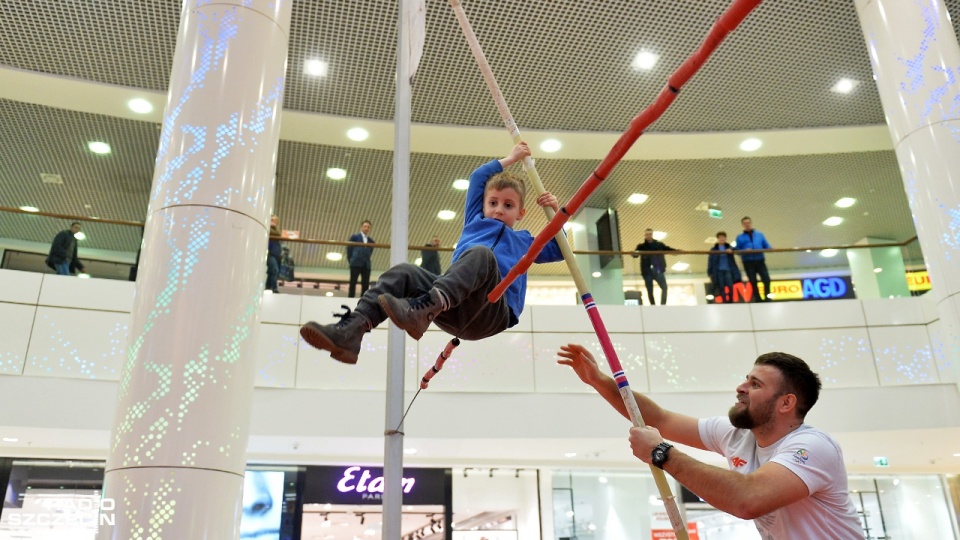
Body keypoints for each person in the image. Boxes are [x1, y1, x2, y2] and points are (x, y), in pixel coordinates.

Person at [557, 343, 863, 540]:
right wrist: (599, 381)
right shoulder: (736, 434)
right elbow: (660, 420)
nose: (741, 387)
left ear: (786, 403)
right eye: (746, 378)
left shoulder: (812, 446)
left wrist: (661, 453)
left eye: (755, 384)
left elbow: (748, 500)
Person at [300, 142, 564, 364]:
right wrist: (510, 159)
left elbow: (560, 250)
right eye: (492, 203)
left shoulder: (524, 241)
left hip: (492, 312)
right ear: (482, 205)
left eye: (508, 205)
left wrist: (555, 213)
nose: (498, 210)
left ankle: (423, 309)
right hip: (453, 306)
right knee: (404, 272)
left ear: (520, 213)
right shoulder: (474, 220)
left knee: (482, 255)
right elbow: (477, 178)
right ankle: (350, 332)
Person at [632, 228, 677, 305]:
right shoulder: (641, 246)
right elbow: (635, 255)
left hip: (658, 269)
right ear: (645, 235)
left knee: (664, 287)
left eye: (650, 234)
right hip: (647, 270)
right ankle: (653, 305)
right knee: (650, 290)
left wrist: (676, 251)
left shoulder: (659, 244)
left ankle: (663, 304)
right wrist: (634, 253)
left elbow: (667, 249)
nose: (648, 236)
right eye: (647, 234)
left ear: (652, 235)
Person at [736, 217, 772, 302]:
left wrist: (770, 248)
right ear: (742, 225)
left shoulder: (759, 234)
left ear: (751, 223)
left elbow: (766, 245)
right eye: (745, 223)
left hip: (760, 260)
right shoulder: (739, 237)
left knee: (766, 279)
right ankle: (757, 298)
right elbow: (737, 250)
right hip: (748, 262)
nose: (747, 224)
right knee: (753, 281)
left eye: (748, 223)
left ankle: (767, 297)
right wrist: (745, 251)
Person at [707, 231, 741, 303]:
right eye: (720, 237)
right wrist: (710, 271)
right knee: (721, 286)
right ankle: (724, 301)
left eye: (723, 237)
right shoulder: (714, 249)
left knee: (730, 286)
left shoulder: (730, 247)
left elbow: (738, 250)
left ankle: (730, 300)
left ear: (725, 238)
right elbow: (710, 261)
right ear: (717, 239)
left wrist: (732, 250)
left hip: (728, 269)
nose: (722, 239)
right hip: (718, 270)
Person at [347, 220, 375, 298]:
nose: (366, 228)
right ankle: (350, 297)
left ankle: (363, 300)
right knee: (353, 282)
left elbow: (370, 253)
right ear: (361, 227)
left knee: (365, 283)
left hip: (366, 264)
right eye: (365, 226)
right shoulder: (354, 237)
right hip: (355, 262)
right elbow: (349, 249)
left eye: (368, 227)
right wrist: (351, 260)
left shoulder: (371, 241)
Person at [265, 215, 282, 293]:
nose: (273, 221)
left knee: (272, 271)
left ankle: (268, 287)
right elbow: (278, 234)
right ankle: (274, 288)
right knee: (275, 270)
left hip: (276, 253)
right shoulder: (268, 228)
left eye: (275, 220)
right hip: (270, 252)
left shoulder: (275, 229)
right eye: (272, 220)